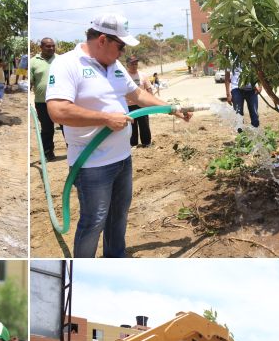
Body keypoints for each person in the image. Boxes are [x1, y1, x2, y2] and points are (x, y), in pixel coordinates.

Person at [46, 13, 192, 258]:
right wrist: (105, 118)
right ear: (102, 40)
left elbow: (136, 95)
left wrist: (172, 108)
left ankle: (115, 256)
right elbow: (58, 111)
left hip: (122, 159)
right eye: (121, 46)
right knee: (94, 221)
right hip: (91, 164)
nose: (123, 52)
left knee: (118, 215)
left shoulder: (114, 65)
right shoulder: (67, 64)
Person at [31, 38, 58, 161]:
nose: (51, 48)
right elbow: (30, 83)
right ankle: (47, 153)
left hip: (60, 101)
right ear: (41, 47)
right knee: (47, 129)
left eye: (53, 46)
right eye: (48, 46)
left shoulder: (60, 60)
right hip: (42, 102)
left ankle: (73, 153)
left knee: (67, 127)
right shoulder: (33, 62)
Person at [126, 56, 153, 147]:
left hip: (142, 105)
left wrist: (151, 101)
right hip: (129, 106)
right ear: (127, 65)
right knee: (131, 126)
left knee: (144, 125)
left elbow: (149, 89)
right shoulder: (124, 76)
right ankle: (133, 144)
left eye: (136, 64)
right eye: (132, 64)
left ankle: (146, 143)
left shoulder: (143, 75)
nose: (134, 66)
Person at [225, 62, 259, 131]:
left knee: (254, 115)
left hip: (252, 89)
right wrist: (228, 94)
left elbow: (259, 70)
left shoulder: (252, 54)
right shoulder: (230, 56)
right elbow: (227, 75)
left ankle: (256, 136)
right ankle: (241, 138)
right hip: (236, 89)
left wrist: (260, 86)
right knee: (238, 116)